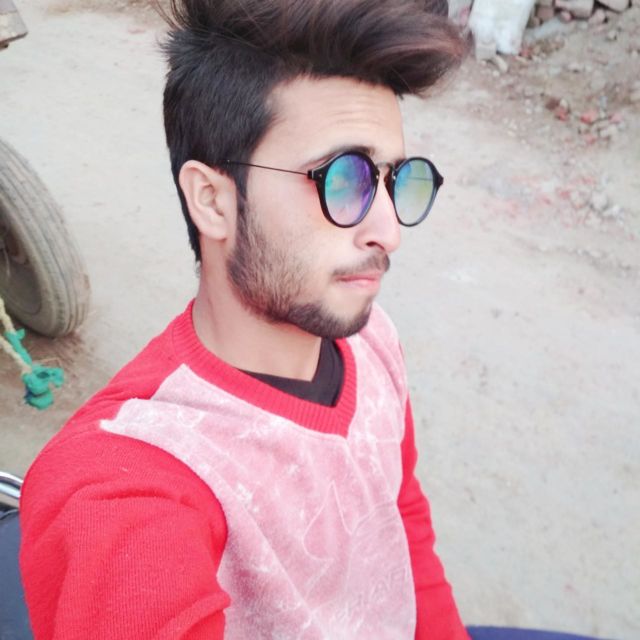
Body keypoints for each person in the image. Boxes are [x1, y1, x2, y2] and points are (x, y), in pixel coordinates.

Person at [19, 0, 471, 638]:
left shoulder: (372, 341)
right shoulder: (132, 484)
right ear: (212, 200)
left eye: (395, 179)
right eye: (344, 179)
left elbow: (401, 526)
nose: (388, 231)